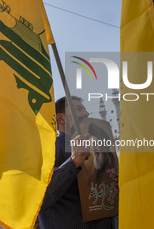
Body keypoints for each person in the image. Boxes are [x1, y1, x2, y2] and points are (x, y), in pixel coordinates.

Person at [38, 96, 116, 229]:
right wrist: (73, 162)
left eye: (85, 110)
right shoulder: (50, 149)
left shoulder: (95, 148)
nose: (86, 113)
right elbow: (40, 198)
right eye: (78, 109)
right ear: (61, 119)